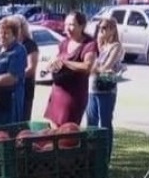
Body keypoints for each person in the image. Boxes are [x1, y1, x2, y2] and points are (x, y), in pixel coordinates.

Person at [44, 11, 97, 127]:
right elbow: (58, 61)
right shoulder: (63, 43)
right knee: (53, 131)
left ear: (82, 25)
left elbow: (87, 66)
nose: (68, 28)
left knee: (67, 133)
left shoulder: (89, 44)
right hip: (57, 93)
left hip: (74, 96)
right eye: (66, 24)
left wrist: (65, 62)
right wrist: (52, 65)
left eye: (72, 24)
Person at [86, 17, 125, 160]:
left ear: (112, 29)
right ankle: (92, 154)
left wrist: (94, 68)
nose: (101, 31)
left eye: (104, 28)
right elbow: (94, 66)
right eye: (99, 28)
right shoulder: (101, 45)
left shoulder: (116, 46)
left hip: (106, 89)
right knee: (91, 121)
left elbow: (106, 66)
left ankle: (105, 156)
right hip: (93, 87)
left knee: (105, 122)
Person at [13, 15, 38, 121]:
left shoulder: (30, 44)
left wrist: (14, 77)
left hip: (25, 87)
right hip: (11, 89)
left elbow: (31, 69)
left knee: (23, 119)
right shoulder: (12, 44)